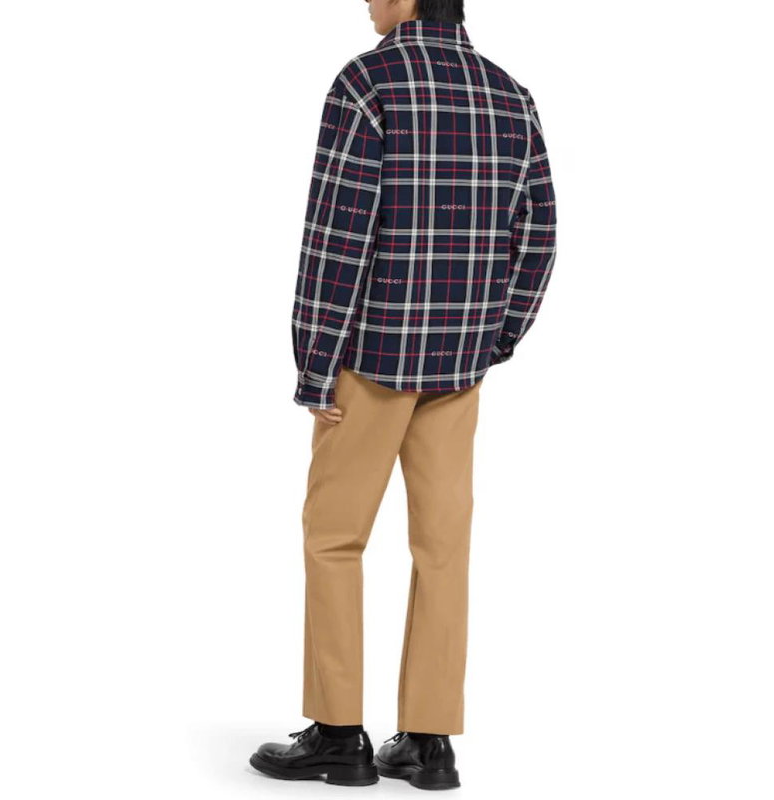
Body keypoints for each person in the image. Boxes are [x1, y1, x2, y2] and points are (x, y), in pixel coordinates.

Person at [250, 0, 557, 789]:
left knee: (334, 538)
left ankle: (337, 734)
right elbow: (539, 235)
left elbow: (336, 236)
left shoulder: (369, 84)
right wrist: (498, 336)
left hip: (371, 358)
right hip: (459, 363)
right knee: (443, 547)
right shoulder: (509, 94)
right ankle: (429, 742)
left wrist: (315, 362)